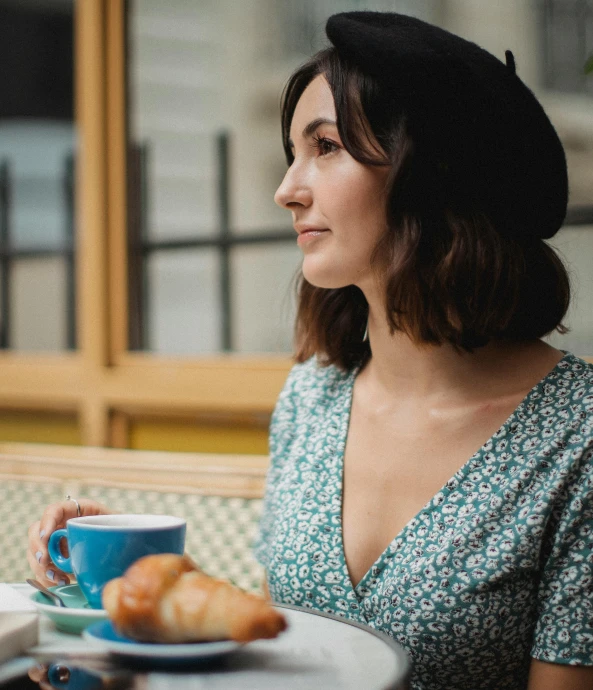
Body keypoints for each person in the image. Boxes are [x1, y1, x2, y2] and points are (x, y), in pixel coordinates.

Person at [28, 11, 592, 690]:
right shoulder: (312, 395)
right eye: (295, 151)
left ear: (433, 171)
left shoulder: (577, 435)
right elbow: (286, 641)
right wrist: (139, 575)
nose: (287, 189)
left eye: (325, 147)